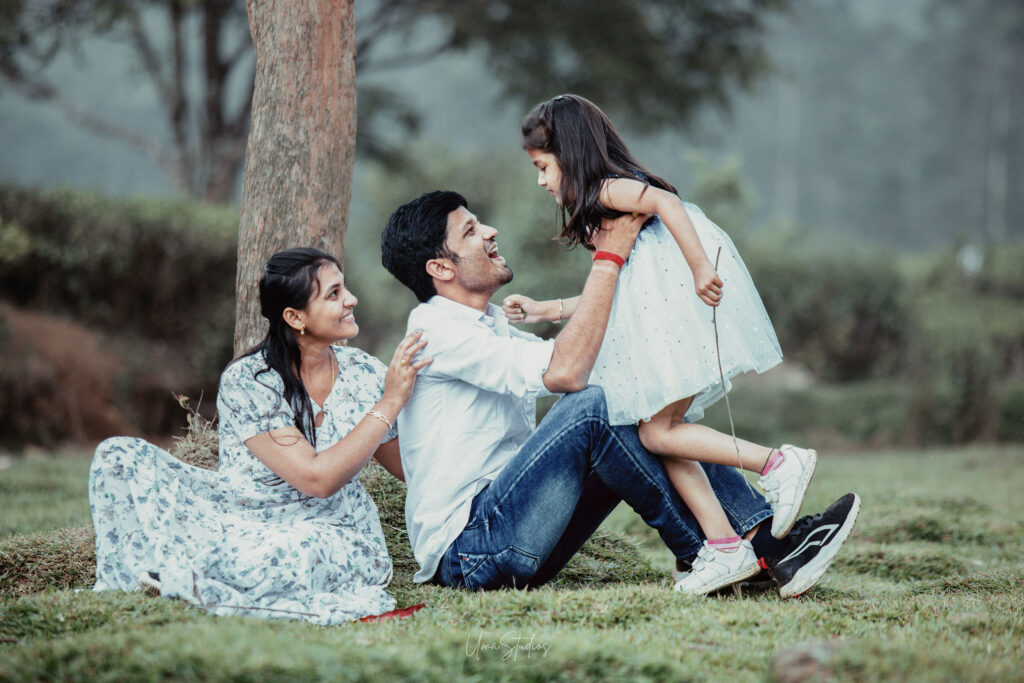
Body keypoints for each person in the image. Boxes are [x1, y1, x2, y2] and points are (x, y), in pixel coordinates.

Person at [380, 190, 860, 598]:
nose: (489, 232)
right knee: (597, 405)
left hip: (516, 531)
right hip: (473, 550)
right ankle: (715, 553)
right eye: (470, 231)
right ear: (440, 267)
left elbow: (592, 361)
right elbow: (568, 373)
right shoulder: (437, 332)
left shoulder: (489, 325)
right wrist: (608, 259)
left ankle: (763, 547)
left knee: (627, 394)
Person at [498, 93, 819, 594]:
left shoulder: (608, 188)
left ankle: (777, 463)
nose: (541, 181)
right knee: (658, 429)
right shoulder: (597, 207)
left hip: (672, 310)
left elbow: (666, 201)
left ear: (571, 152)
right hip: (649, 314)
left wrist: (699, 267)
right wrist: (547, 310)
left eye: (543, 167)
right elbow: (608, 289)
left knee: (658, 431)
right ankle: (724, 546)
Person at [89, 247, 431, 625]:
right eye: (333, 294)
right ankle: (172, 571)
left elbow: (409, 468)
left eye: (344, 288)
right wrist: (391, 400)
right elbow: (316, 478)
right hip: (237, 516)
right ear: (295, 317)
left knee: (300, 548)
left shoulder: (365, 373)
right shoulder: (250, 382)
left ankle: (187, 576)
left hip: (328, 530)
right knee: (118, 454)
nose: (351, 300)